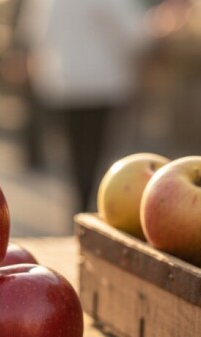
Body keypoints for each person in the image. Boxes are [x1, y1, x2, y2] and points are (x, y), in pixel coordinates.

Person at [20, 0, 151, 213]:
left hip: (63, 84)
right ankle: (88, 210)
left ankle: (78, 210)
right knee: (94, 159)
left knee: (76, 158)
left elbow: (37, 33)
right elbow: (135, 35)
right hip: (101, 86)